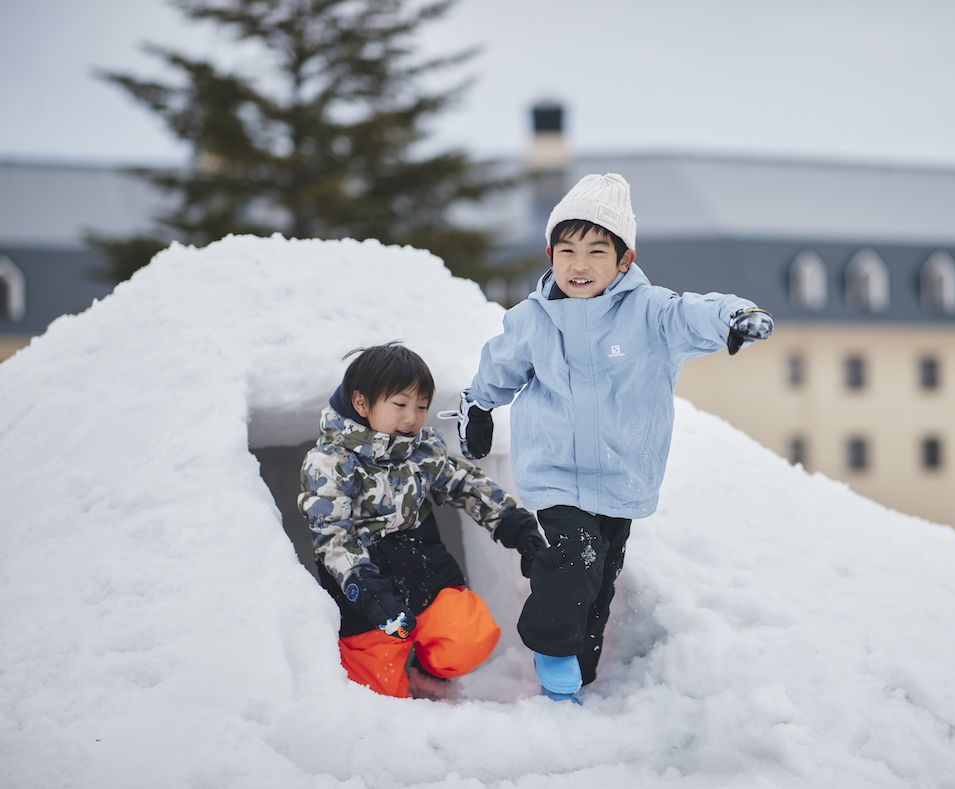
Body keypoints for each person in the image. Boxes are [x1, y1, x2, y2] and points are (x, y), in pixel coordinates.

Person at [447, 173, 773, 702]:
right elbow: (499, 366)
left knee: (598, 581)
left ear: (624, 260)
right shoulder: (533, 320)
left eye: (598, 251)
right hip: (554, 471)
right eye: (567, 250)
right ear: (550, 254)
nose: (580, 265)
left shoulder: (651, 313)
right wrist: (479, 405)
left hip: (622, 473)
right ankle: (553, 661)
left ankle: (582, 675)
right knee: (572, 557)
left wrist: (735, 316)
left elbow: (697, 311)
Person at [298, 342, 545, 699]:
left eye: (421, 406)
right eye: (400, 404)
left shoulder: (421, 453)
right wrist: (367, 593)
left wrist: (517, 527)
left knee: (469, 638)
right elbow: (333, 537)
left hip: (423, 573)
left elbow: (467, 485)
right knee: (377, 695)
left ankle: (423, 669)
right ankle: (391, 671)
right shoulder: (330, 463)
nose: (412, 417)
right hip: (367, 592)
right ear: (361, 403)